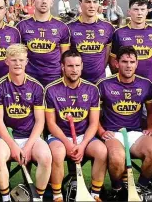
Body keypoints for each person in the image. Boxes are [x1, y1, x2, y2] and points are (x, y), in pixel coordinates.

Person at [96, 47, 152, 201]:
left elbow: (151, 111)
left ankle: (140, 187)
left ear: (137, 64)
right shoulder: (104, 84)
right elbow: (93, 115)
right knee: (117, 157)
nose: (128, 65)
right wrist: (101, 131)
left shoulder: (146, 84)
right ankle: (118, 189)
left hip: (136, 132)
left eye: (132, 62)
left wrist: (151, 128)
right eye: (124, 62)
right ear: (116, 63)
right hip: (113, 133)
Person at [0, 44, 51, 202]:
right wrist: (13, 146)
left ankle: (37, 197)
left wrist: (28, 146)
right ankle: (5, 198)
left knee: (46, 157)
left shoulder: (36, 87)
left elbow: (40, 121)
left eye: (21, 60)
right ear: (7, 62)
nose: (17, 63)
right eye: (14, 60)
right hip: (6, 138)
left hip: (31, 137)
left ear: (26, 62)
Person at [45, 50, 107, 201]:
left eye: (77, 65)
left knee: (102, 151)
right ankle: (57, 195)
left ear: (82, 66)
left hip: (83, 136)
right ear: (62, 67)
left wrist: (83, 144)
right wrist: (67, 144)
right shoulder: (51, 89)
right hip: (59, 137)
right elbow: (51, 124)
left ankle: (95, 194)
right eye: (70, 66)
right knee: (58, 153)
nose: (74, 69)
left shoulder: (92, 89)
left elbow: (93, 123)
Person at [17, 0, 70, 86]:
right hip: (28, 81)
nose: (44, 1)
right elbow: (17, 57)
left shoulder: (62, 27)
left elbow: (65, 58)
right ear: (33, 1)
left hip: (54, 80)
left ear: (52, 2)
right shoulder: (22, 26)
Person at [68, 0, 115, 84]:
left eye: (95, 2)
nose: (92, 6)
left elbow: (107, 55)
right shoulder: (69, 27)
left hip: (99, 82)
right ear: (81, 4)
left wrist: (100, 70)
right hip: (75, 83)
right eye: (88, 2)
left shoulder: (108, 27)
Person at [110, 0, 152, 83]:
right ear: (129, 12)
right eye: (136, 9)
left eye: (142, 9)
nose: (139, 13)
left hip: (149, 86)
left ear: (147, 11)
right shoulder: (119, 33)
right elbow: (113, 63)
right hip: (124, 86)